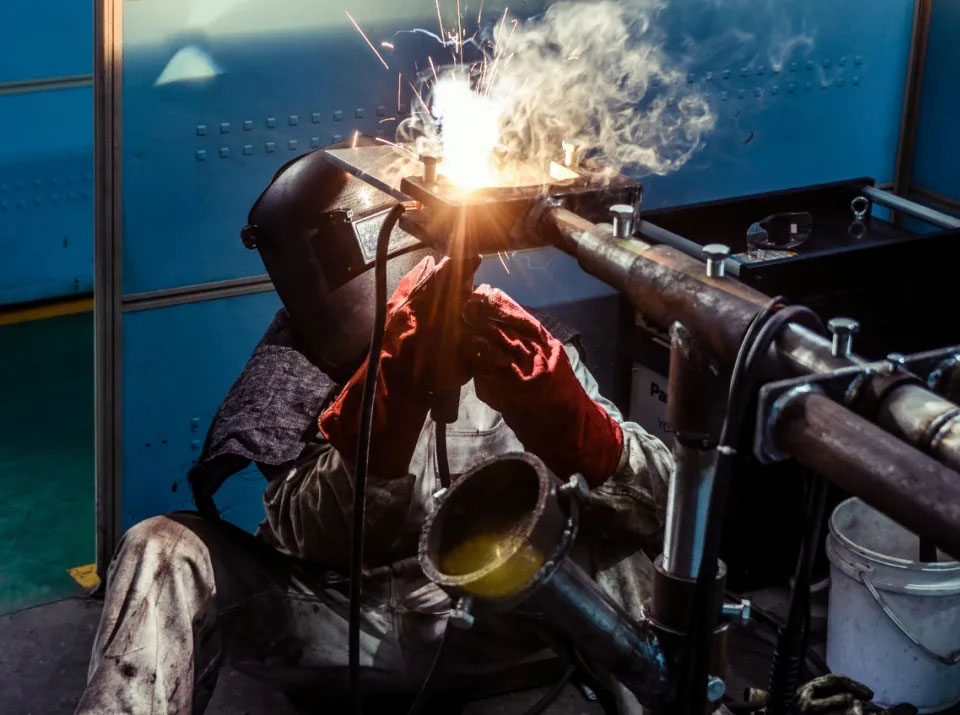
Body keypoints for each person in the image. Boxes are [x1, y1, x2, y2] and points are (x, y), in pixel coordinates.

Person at [74, 146, 675, 715]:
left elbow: (662, 503)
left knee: (614, 526)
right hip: (345, 624)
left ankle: (678, 695)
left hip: (501, 618)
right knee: (162, 546)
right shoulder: (293, 373)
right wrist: (385, 409)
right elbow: (310, 539)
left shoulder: (515, 347)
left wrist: (586, 438)